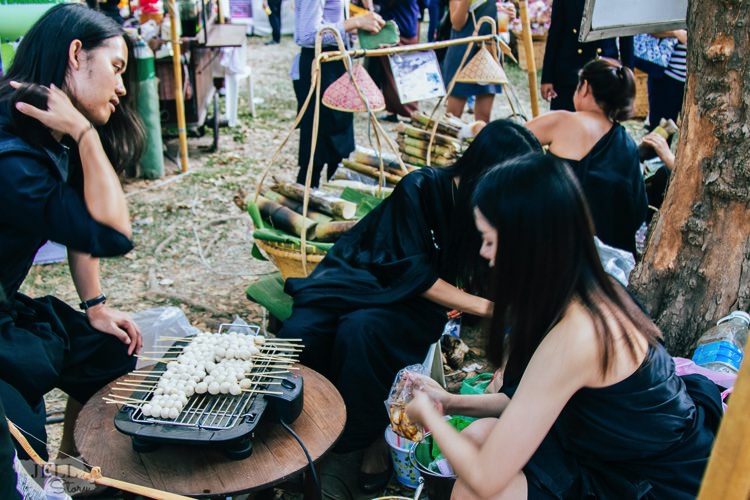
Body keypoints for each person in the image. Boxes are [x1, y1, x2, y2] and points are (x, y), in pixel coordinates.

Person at [406, 152, 721, 499]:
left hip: (647, 481)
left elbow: (485, 478)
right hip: (605, 451)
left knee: (476, 490)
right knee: (478, 435)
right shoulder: (584, 292)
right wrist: (449, 402)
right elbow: (530, 402)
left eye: (491, 240)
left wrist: (428, 416)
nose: (485, 253)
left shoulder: (580, 334)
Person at [277, 120, 542, 493]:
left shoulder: (492, 211)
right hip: (363, 277)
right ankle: (301, 432)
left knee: (362, 333)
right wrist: (491, 308)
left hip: (412, 304)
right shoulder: (421, 187)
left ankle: (360, 442)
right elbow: (415, 274)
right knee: (300, 334)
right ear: (490, 169)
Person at [0, 4, 145, 459]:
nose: (122, 87)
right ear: (76, 54)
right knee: (23, 437)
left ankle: (76, 467)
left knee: (108, 350)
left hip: (4, 308)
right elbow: (110, 231)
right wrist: (85, 135)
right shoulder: (12, 157)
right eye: (116, 68)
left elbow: (85, 219)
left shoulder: (41, 130)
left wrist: (95, 307)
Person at [526, 57, 647, 255]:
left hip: (559, 248)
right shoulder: (628, 144)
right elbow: (638, 211)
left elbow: (505, 141)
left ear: (585, 88)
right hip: (613, 259)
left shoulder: (561, 121)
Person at [292, 0, 384, 188]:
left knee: (340, 139)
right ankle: (305, 195)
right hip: (320, 65)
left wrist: (358, 30)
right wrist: (356, 22)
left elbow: (332, 22)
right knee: (316, 139)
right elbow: (308, 35)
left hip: (337, 62)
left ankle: (334, 194)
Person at [541, 0, 633, 111]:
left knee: (602, 119)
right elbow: (555, 34)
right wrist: (547, 78)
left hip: (605, 71)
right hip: (570, 70)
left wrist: (628, 75)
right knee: (566, 118)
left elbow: (627, 35)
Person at [441, 0, 514, 122]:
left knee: (483, 117)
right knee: (453, 116)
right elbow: (457, 24)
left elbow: (501, 26)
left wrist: (509, 16)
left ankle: (480, 135)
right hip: (463, 49)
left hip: (489, 51)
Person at [371, 0, 421, 122]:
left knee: (400, 76)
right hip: (405, 25)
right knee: (390, 76)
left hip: (397, 29)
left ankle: (412, 112)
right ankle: (393, 111)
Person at [646, 30, 687, 131]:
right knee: (661, 130)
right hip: (666, 76)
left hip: (695, 80)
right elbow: (650, 29)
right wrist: (676, 33)